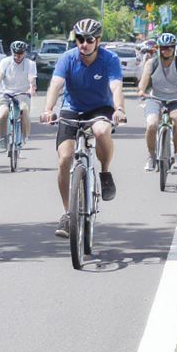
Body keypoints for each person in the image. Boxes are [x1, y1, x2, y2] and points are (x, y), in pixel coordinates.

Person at [40, 18, 127, 238]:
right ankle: (68, 213)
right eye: (80, 39)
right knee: (64, 159)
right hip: (72, 108)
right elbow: (56, 85)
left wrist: (119, 109)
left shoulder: (110, 59)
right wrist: (49, 108)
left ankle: (105, 172)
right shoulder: (67, 59)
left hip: (100, 108)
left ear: (98, 40)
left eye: (89, 40)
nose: (84, 44)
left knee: (100, 131)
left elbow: (116, 86)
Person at [137, 32, 177, 170]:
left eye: (169, 48)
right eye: (163, 48)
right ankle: (151, 156)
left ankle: (176, 152)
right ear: (158, 48)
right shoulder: (152, 62)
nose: (166, 50)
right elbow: (144, 80)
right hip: (155, 98)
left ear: (174, 48)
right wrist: (141, 90)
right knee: (152, 124)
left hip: (176, 99)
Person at [0, 40, 37, 147]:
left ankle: (25, 135)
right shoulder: (5, 62)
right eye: (15, 54)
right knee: (3, 114)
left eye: (20, 54)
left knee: (24, 110)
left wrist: (32, 89)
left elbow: (31, 79)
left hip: (22, 94)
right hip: (5, 93)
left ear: (25, 53)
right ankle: (3, 138)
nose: (17, 57)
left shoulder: (30, 64)